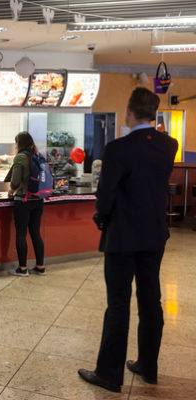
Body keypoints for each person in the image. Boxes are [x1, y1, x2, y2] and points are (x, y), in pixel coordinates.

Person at [78, 88, 178, 392]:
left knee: (118, 304)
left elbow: (105, 195)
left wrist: (101, 219)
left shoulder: (118, 149)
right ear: (155, 114)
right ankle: (148, 367)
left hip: (121, 236)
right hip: (154, 235)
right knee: (151, 301)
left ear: (129, 112)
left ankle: (109, 374)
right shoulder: (169, 145)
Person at [7, 132, 46, 277]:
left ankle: (22, 268)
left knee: (21, 234)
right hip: (38, 199)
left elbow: (15, 181)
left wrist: (11, 190)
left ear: (19, 143)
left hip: (23, 200)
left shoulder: (21, 157)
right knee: (36, 233)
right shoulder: (37, 155)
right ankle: (40, 266)